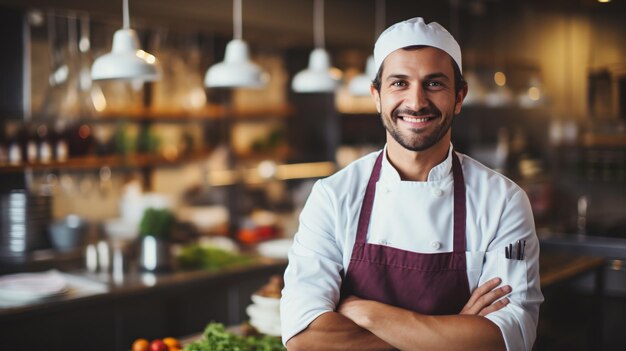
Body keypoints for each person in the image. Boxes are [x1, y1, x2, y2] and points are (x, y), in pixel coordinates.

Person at [280, 17, 543, 351]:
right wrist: (454, 331)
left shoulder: (503, 201)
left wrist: (369, 313)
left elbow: (508, 339)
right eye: (399, 83)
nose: (416, 102)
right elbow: (304, 338)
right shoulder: (333, 196)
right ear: (376, 95)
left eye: (433, 84)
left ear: (459, 96)